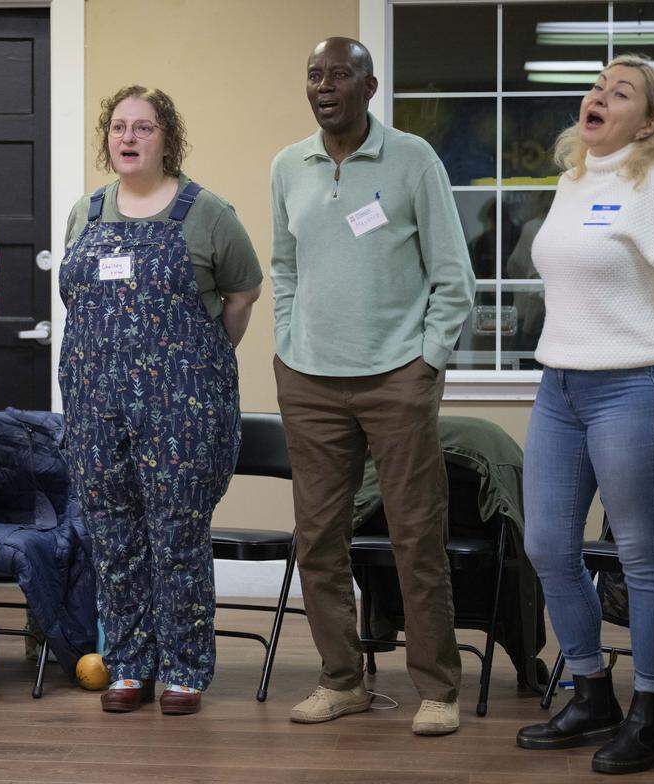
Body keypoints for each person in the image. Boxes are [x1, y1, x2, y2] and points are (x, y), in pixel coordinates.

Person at [517, 55, 654, 774]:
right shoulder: (575, 179)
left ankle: (649, 715)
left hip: (633, 389)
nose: (600, 96)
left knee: (641, 554)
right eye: (597, 87)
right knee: (548, 546)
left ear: (648, 124)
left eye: (621, 93)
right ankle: (590, 693)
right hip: (559, 388)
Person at [271, 38, 475, 734]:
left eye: (339, 74)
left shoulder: (413, 159)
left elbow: (453, 276)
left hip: (397, 379)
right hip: (309, 380)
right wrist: (287, 346)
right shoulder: (287, 166)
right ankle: (341, 681)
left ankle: (438, 690)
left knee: (417, 536)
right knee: (317, 540)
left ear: (369, 86)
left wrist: (427, 362)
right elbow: (285, 267)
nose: (324, 86)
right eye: (314, 74)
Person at [59, 85, 262, 716]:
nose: (129, 137)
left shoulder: (207, 213)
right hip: (95, 405)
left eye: (143, 127)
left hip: (182, 407)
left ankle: (183, 670)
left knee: (177, 534)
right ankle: (128, 666)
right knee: (113, 535)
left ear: (166, 138)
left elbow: (241, 295)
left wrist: (196, 361)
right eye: (119, 127)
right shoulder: (86, 213)